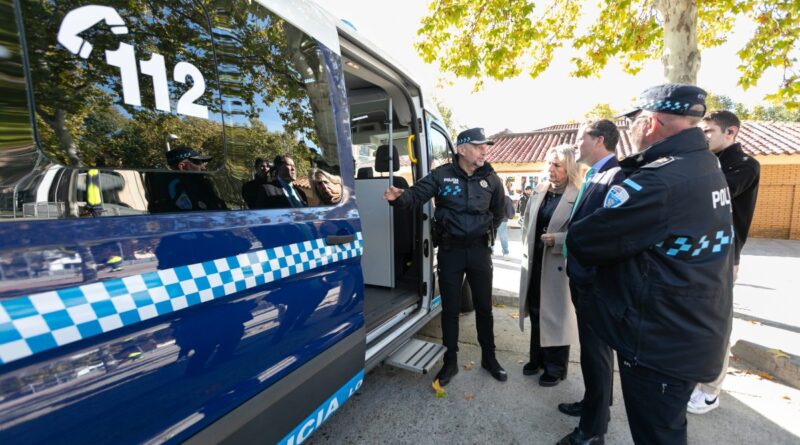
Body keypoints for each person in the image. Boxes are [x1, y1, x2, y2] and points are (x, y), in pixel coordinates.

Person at [567, 84, 733, 445]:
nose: (630, 129)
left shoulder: (659, 181)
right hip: (687, 330)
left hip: (659, 340)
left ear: (652, 122)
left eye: (635, 121)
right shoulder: (705, 165)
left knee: (658, 435)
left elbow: (584, 240)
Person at [384, 127, 507, 386]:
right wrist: (399, 199)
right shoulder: (442, 175)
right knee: (450, 310)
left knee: (484, 307)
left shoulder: (492, 180)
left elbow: (497, 214)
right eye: (478, 145)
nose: (485, 150)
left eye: (486, 145)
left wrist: (482, 235)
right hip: (451, 252)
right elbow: (416, 196)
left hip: (479, 252)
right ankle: (450, 361)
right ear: (462, 149)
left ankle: (490, 357)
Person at [687, 110, 760, 415]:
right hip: (697, 254)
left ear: (730, 133)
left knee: (715, 326)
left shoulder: (745, 165)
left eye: (709, 131)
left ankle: (710, 389)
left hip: (724, 259)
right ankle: (693, 377)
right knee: (692, 321)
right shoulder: (708, 162)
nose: (703, 136)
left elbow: (713, 195)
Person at [556, 120, 624, 445]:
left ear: (599, 140)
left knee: (596, 355)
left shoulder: (616, 176)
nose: (577, 144)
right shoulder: (597, 173)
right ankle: (595, 405)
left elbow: (610, 233)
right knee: (592, 354)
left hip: (596, 281)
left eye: (581, 138)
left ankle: (592, 430)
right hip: (583, 277)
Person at [517, 144, 579, 387]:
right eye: (549, 164)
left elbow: (582, 233)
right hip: (535, 262)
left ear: (569, 168)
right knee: (536, 311)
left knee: (556, 316)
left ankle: (556, 368)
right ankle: (538, 359)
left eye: (557, 165)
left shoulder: (577, 195)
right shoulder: (540, 190)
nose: (551, 169)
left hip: (557, 264)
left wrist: (559, 240)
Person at [146, 146, 227, 213]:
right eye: (198, 162)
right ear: (182, 166)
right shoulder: (175, 187)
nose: (203, 166)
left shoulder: (202, 184)